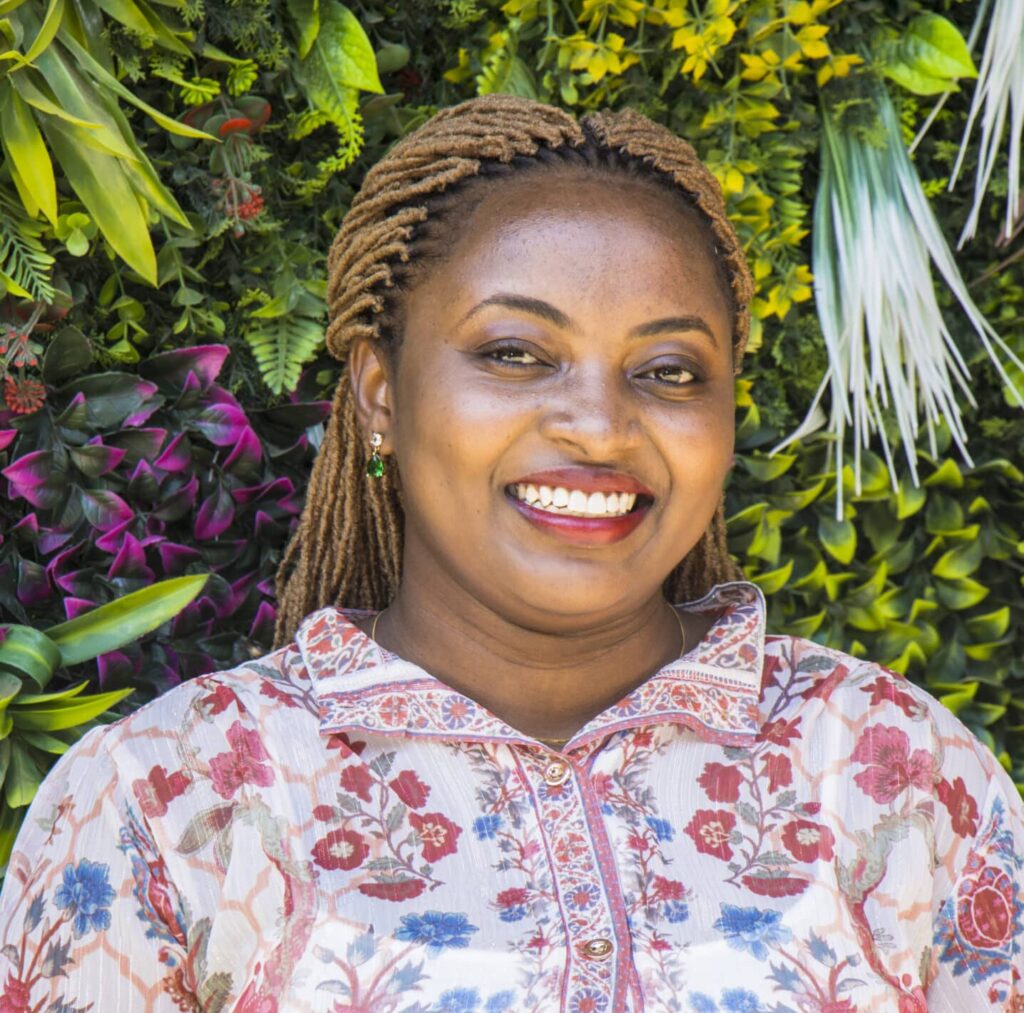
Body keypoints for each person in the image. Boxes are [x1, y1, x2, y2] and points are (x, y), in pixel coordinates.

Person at [0, 94, 1021, 1013]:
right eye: (515, 354)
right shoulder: (160, 796)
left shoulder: (895, 769)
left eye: (669, 369)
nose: (599, 426)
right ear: (380, 394)